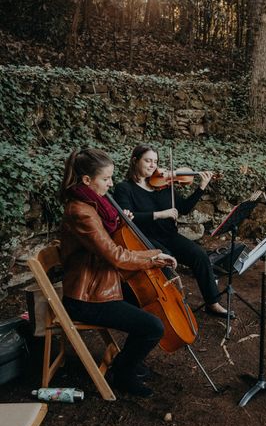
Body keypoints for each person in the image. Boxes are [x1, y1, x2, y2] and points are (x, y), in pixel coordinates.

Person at [59, 148, 178, 397]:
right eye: (106, 179)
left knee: (146, 304)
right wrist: (152, 258)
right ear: (87, 181)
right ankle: (122, 373)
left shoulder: (95, 205)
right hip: (87, 297)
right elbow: (114, 255)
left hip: (102, 281)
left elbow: (113, 243)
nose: (111, 184)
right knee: (153, 327)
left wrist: (146, 249)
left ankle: (130, 361)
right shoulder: (81, 212)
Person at [113, 144, 232, 319]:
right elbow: (128, 218)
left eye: (155, 161)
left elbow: (183, 208)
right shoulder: (125, 188)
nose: (153, 165)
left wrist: (201, 187)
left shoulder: (163, 185)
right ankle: (169, 309)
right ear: (135, 161)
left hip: (169, 235)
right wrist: (160, 214)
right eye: (148, 160)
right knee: (167, 260)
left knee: (199, 255)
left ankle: (212, 303)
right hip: (144, 238)